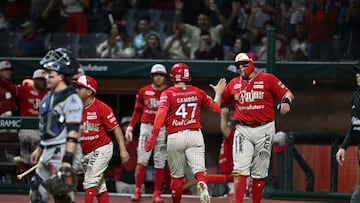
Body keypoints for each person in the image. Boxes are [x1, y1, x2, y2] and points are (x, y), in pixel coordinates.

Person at [144, 63, 227, 203]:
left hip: (175, 136)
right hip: (194, 134)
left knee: (176, 177)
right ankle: (202, 183)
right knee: (200, 171)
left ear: (172, 77)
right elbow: (217, 108)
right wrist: (218, 93)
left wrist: (153, 135)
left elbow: (161, 114)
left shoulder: (168, 93)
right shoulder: (197, 91)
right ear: (188, 76)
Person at [220, 53, 295, 203]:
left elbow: (288, 93)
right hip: (242, 129)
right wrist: (218, 94)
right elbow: (223, 101)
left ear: (252, 63)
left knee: (259, 172)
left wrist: (286, 102)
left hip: (265, 129)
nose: (241, 67)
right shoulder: (234, 83)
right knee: (240, 169)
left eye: (244, 64)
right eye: (238, 65)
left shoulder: (267, 78)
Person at [29, 47, 84, 203]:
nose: (46, 77)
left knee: (62, 194)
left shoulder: (71, 99)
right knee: (37, 188)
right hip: (48, 149)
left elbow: (73, 132)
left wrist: (67, 161)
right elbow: (48, 128)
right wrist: (40, 148)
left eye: (50, 74)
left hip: (63, 150)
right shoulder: (49, 96)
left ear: (60, 76)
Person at [73, 75, 130, 203]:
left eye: (79, 88)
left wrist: (123, 150)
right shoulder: (74, 108)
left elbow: (116, 129)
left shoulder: (101, 107)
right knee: (99, 186)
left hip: (102, 147)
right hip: (85, 152)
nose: (76, 90)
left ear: (89, 91)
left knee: (90, 180)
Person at [125, 64, 169, 203]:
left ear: (165, 77)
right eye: (156, 75)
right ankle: (137, 190)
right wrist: (131, 126)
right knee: (142, 160)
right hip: (146, 127)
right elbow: (137, 110)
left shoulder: (170, 91)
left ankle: (157, 193)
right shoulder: (144, 91)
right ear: (151, 76)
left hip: (162, 129)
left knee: (160, 161)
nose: (158, 77)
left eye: (161, 75)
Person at [0, 69, 48, 177]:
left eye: (44, 80)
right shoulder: (25, 90)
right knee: (26, 158)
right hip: (27, 130)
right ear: (34, 80)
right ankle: (22, 181)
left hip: (41, 130)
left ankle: (32, 182)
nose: (42, 82)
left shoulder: (49, 94)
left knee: (35, 160)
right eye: (40, 80)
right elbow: (8, 86)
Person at [336, 64, 360, 203]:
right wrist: (343, 147)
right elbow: (354, 125)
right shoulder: (356, 95)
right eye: (357, 73)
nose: (357, 75)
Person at [105, 116, 138, 193]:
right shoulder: (116, 143)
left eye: (130, 126)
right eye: (126, 125)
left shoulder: (139, 142)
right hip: (122, 179)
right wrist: (124, 148)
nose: (127, 128)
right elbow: (111, 159)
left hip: (137, 180)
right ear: (122, 127)